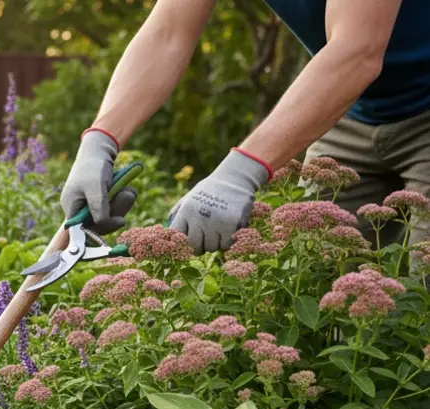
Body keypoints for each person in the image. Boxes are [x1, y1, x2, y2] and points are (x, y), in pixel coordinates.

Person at [61, 0, 430, 252]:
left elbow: (357, 52)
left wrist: (238, 174)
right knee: (318, 296)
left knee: (421, 315)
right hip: (353, 111)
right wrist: (100, 141)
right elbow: (169, 32)